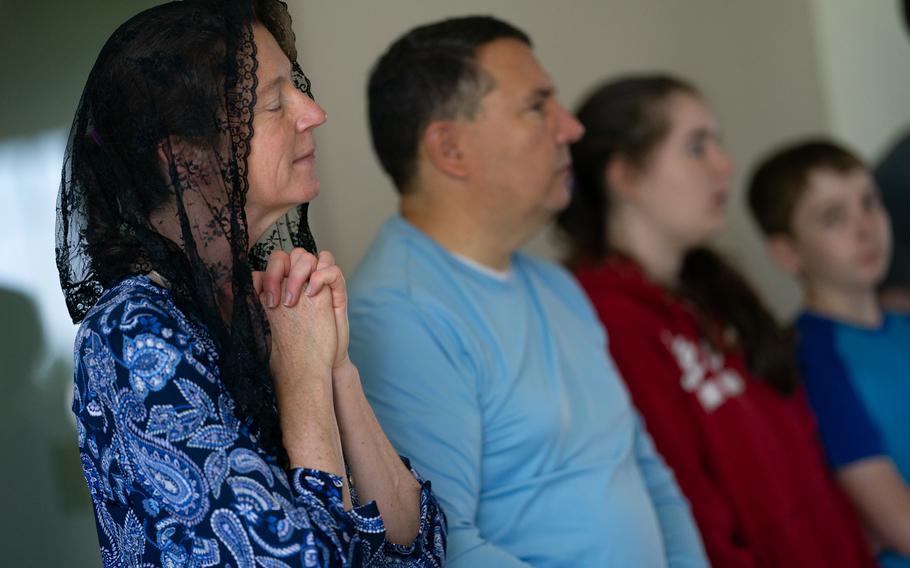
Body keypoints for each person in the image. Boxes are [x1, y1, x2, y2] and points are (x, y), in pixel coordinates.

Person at [56, 1, 445, 565]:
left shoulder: (256, 305)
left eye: (299, 88)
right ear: (181, 159)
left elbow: (419, 550)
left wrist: (337, 370)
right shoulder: (130, 335)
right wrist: (304, 382)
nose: (314, 112)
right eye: (273, 102)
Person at [348, 16, 707, 567]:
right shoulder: (399, 315)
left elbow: (644, 470)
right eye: (538, 107)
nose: (571, 128)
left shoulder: (556, 285)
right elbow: (443, 547)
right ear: (450, 149)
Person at [556, 76, 875, 567]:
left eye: (718, 144)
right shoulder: (608, 321)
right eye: (696, 147)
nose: (724, 165)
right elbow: (686, 509)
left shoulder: (718, 293)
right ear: (625, 177)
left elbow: (808, 467)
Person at [748, 139, 910, 567]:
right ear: (787, 252)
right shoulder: (810, 357)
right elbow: (900, 524)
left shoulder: (902, 327)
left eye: (869, 202)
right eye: (834, 217)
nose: (865, 228)